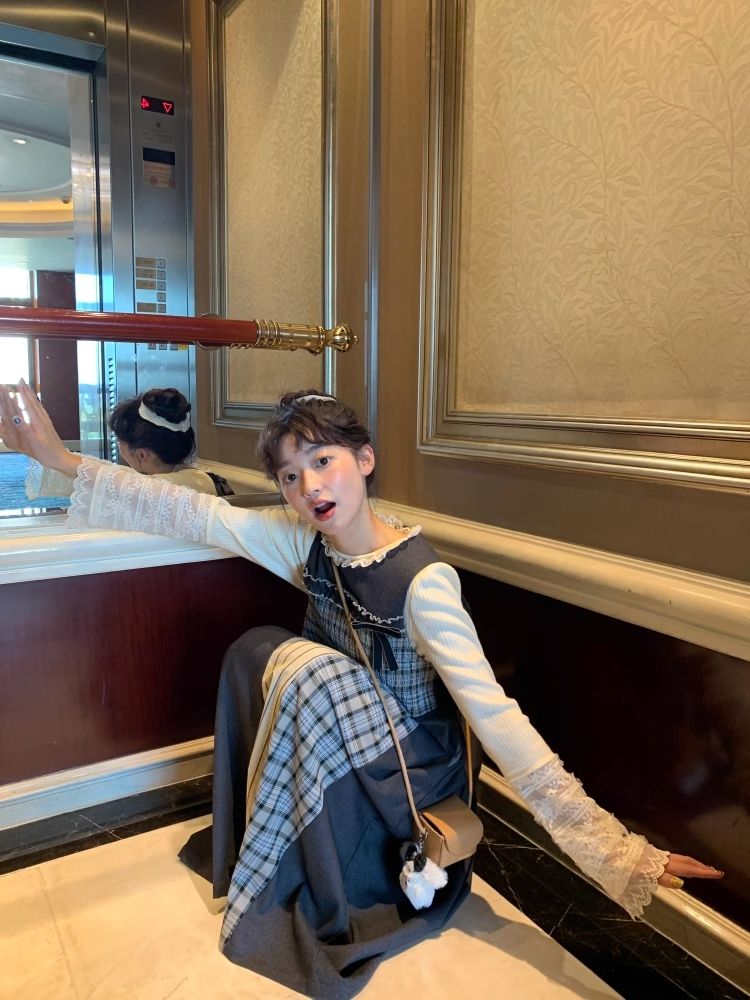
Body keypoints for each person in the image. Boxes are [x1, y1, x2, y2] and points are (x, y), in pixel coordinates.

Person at [0, 383, 723, 1000]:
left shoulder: (423, 583)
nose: (311, 487)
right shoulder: (303, 541)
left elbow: (495, 716)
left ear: (364, 460)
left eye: (324, 462)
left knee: (308, 670)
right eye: (291, 476)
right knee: (258, 650)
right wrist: (60, 460)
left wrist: (617, 853)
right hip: (342, 729)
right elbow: (192, 513)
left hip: (412, 757)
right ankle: (277, 843)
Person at [24, 385, 233, 500]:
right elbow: (106, 471)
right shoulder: (206, 478)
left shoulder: (153, 491)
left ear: (141, 454)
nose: (120, 449)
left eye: (120, 443)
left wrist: (57, 456)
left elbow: (106, 477)